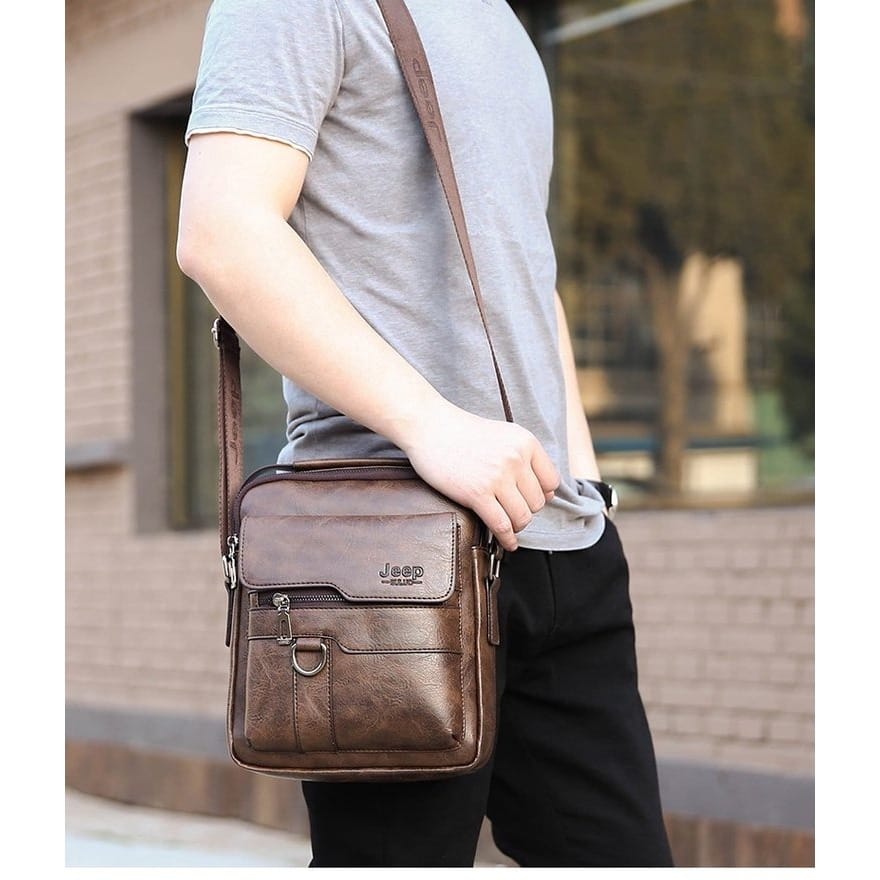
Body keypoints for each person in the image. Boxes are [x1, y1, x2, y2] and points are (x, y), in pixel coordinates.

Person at [177, 0, 673, 868]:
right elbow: (223, 231)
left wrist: (584, 485)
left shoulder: (502, 21)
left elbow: (523, 271)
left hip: (561, 545)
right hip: (390, 562)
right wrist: (431, 424)